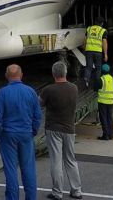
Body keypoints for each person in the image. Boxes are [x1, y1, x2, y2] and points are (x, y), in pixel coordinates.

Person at [0, 64, 42, 200]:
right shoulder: (31, 92)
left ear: (6, 76)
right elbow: (37, 116)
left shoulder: (2, 93)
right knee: (28, 169)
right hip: (26, 134)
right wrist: (33, 131)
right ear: (21, 75)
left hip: (7, 135)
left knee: (11, 170)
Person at [39, 61, 83, 200]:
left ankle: (57, 192)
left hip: (53, 128)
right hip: (69, 129)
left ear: (53, 74)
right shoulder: (74, 88)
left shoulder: (48, 90)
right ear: (65, 72)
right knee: (70, 159)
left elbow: (39, 104)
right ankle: (76, 191)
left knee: (56, 161)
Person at [82, 19, 108, 87]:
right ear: (102, 23)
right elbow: (104, 42)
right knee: (98, 68)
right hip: (98, 52)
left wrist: (84, 48)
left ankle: (86, 79)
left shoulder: (89, 29)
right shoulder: (103, 30)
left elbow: (85, 39)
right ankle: (97, 82)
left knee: (88, 67)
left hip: (89, 51)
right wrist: (105, 54)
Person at [95, 63, 113, 140]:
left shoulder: (101, 79)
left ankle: (105, 135)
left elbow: (95, 88)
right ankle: (110, 135)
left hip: (102, 101)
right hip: (110, 101)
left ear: (102, 71)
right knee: (109, 118)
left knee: (103, 118)